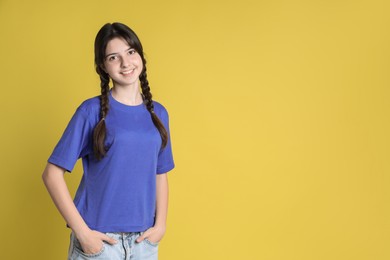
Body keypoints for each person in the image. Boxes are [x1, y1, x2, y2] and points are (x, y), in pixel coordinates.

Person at [42, 22, 175, 260]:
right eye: (114, 57)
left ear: (140, 55)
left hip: (143, 242)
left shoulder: (159, 114)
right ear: (103, 66)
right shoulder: (91, 111)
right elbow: (51, 174)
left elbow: (160, 173)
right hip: (100, 242)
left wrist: (160, 226)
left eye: (131, 52)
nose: (126, 63)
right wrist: (83, 233)